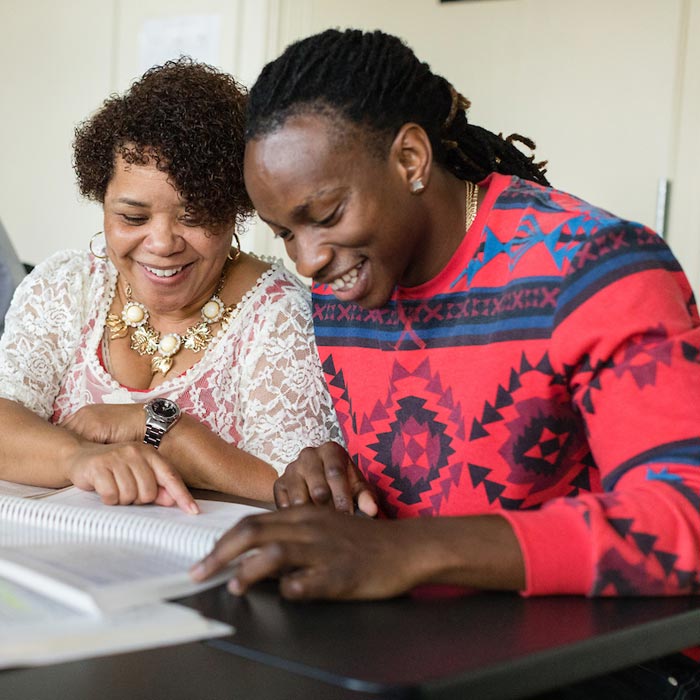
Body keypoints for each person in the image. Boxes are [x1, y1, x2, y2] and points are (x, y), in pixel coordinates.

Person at [192, 29, 700, 696]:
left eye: (326, 214)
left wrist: (408, 551)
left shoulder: (597, 267)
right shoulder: (347, 290)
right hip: (431, 647)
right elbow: (436, 471)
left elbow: (680, 521)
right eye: (287, 232)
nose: (307, 259)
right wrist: (333, 473)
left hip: (611, 662)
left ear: (409, 158)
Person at [0, 58, 341, 512]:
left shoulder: (278, 318)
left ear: (233, 209)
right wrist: (79, 457)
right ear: (101, 202)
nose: (161, 244)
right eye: (132, 217)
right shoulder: (66, 286)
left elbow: (305, 493)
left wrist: (171, 435)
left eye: (194, 217)